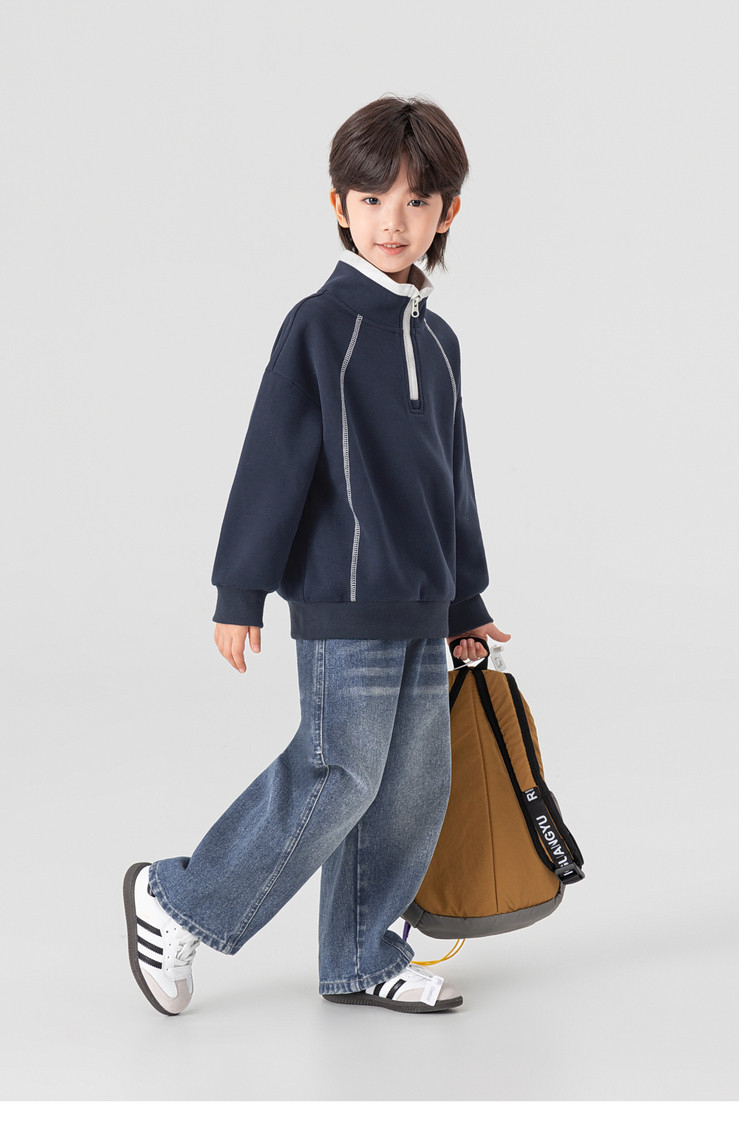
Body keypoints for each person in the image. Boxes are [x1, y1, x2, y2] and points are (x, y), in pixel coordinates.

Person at [123, 94, 511, 1016]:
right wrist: (240, 589)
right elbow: (274, 461)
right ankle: (178, 899)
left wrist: (465, 603)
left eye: (416, 202)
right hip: (345, 601)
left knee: (411, 790)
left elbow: (451, 479)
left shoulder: (440, 341)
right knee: (340, 775)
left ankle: (362, 957)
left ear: (448, 212)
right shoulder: (318, 326)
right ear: (338, 204)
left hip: (422, 605)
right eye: (372, 199)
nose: (393, 221)